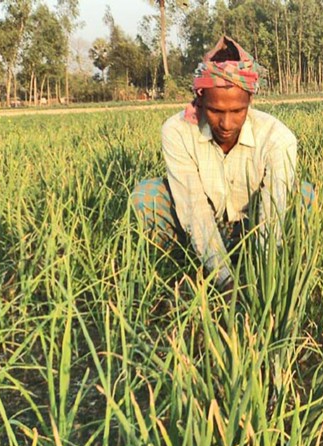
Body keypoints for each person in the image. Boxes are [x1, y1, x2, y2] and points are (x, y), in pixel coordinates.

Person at [130, 36, 305, 290]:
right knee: (146, 196)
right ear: (200, 101)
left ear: (249, 101)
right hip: (200, 227)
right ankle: (178, 268)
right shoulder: (177, 131)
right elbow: (193, 208)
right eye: (215, 111)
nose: (226, 124)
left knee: (305, 197)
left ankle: (271, 264)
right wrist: (224, 280)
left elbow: (272, 213)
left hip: (251, 228)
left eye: (237, 111)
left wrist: (262, 281)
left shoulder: (277, 137)